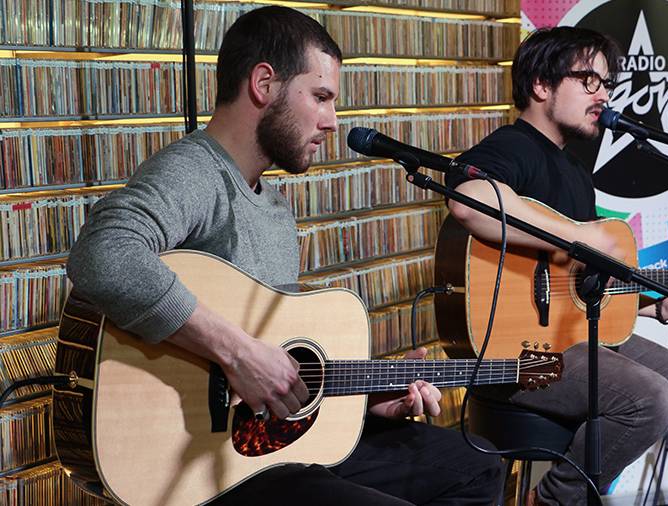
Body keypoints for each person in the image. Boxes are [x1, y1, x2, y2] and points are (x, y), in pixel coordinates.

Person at [66, 6, 502, 505]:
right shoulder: (194, 172)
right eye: (320, 97)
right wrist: (237, 353)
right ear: (264, 83)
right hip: (202, 465)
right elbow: (101, 255)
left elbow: (280, 369)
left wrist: (363, 400)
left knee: (477, 466)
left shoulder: (273, 207)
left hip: (262, 448)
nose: (332, 122)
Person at [444, 26, 668, 506]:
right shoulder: (514, 145)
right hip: (518, 356)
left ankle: (570, 485)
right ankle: (552, 500)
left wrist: (655, 310)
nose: (603, 95)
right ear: (542, 86)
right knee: (651, 398)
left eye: (606, 84)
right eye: (589, 80)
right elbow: (468, 201)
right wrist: (581, 235)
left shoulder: (574, 174)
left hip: (568, 337)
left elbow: (581, 289)